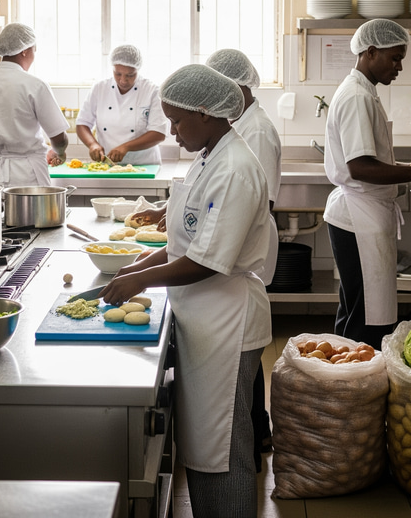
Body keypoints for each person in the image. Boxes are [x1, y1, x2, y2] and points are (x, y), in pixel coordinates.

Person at [100, 64, 271, 518]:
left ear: (207, 113)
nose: (171, 131)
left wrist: (139, 280)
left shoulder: (234, 168)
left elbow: (206, 261)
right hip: (202, 318)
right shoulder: (208, 156)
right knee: (203, 445)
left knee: (224, 450)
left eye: (176, 121)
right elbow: (185, 242)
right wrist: (142, 262)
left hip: (226, 321)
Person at [323, 19, 411, 350]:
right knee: (364, 319)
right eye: (394, 58)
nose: (399, 67)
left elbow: (371, 159)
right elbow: (360, 167)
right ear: (370, 52)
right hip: (359, 218)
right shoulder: (357, 97)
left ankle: (347, 381)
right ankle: (354, 388)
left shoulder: (363, 92)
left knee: (358, 310)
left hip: (363, 216)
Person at [206, 47, 281, 471]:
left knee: (247, 343)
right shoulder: (239, 124)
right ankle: (259, 427)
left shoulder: (257, 132)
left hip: (247, 241)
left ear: (238, 86)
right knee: (245, 345)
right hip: (241, 238)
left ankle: (258, 430)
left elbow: (254, 200)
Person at [0, 22, 69, 187]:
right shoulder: (34, 84)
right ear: (25, 51)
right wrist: (59, 152)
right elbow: (58, 137)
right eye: (34, 50)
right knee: (28, 213)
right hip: (27, 175)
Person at [75, 44, 166, 164]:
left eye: (130, 75)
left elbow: (158, 133)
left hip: (143, 164)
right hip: (108, 164)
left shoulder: (151, 91)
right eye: (118, 74)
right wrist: (92, 144)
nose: (123, 80)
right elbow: (82, 123)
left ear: (137, 70)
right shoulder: (100, 88)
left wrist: (126, 147)